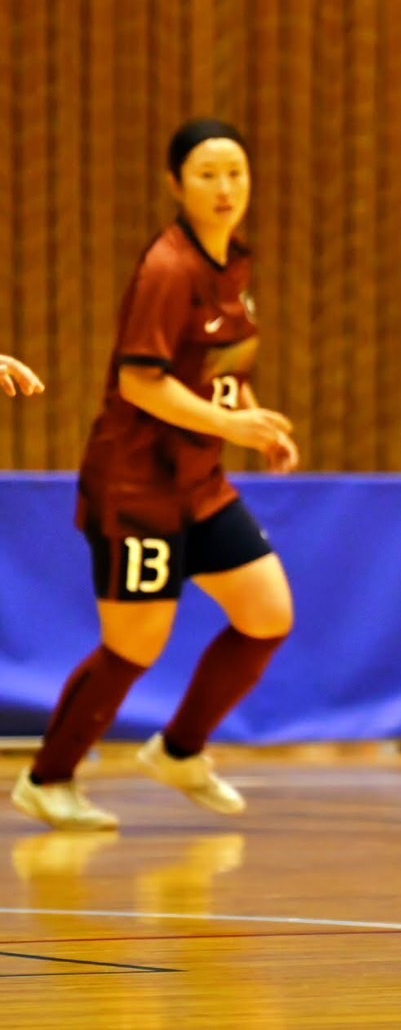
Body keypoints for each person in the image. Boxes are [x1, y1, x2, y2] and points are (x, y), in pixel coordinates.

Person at [11, 119, 297, 832]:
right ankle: (48, 779)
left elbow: (221, 371)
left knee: (267, 613)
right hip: (137, 488)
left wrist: (254, 423)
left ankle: (179, 750)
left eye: (236, 172)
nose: (225, 187)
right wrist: (230, 425)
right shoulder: (168, 269)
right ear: (175, 184)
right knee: (135, 644)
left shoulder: (234, 266)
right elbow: (140, 382)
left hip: (199, 483)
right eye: (207, 174)